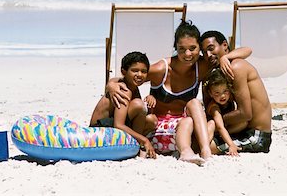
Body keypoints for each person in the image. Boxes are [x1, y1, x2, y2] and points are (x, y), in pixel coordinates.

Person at [106, 21, 252, 165]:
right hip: (156, 130)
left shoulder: (201, 67)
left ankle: (204, 151)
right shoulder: (161, 70)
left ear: (199, 49)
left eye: (193, 48)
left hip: (183, 131)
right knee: (190, 116)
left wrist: (225, 57)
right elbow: (131, 77)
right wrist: (111, 84)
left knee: (196, 107)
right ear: (175, 47)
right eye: (181, 49)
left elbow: (247, 50)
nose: (187, 54)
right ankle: (190, 151)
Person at [200, 30, 272, 153]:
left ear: (224, 45)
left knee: (205, 145)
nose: (208, 54)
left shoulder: (236, 67)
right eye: (204, 52)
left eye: (211, 48)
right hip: (241, 129)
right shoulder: (217, 70)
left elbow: (245, 114)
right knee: (202, 137)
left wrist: (217, 122)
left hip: (256, 135)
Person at [90, 51, 156, 159]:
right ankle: (137, 145)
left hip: (111, 125)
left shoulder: (133, 87)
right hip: (99, 130)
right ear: (123, 71)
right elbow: (118, 125)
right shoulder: (123, 89)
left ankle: (135, 145)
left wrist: (150, 99)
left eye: (143, 71)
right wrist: (144, 140)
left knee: (151, 119)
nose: (139, 75)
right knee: (139, 105)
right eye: (135, 70)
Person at [204, 68, 241, 156]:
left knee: (243, 122)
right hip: (211, 134)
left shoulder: (229, 101)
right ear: (210, 93)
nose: (222, 96)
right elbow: (220, 127)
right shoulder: (214, 107)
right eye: (217, 93)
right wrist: (231, 145)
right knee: (212, 123)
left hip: (222, 132)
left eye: (225, 91)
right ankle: (204, 146)